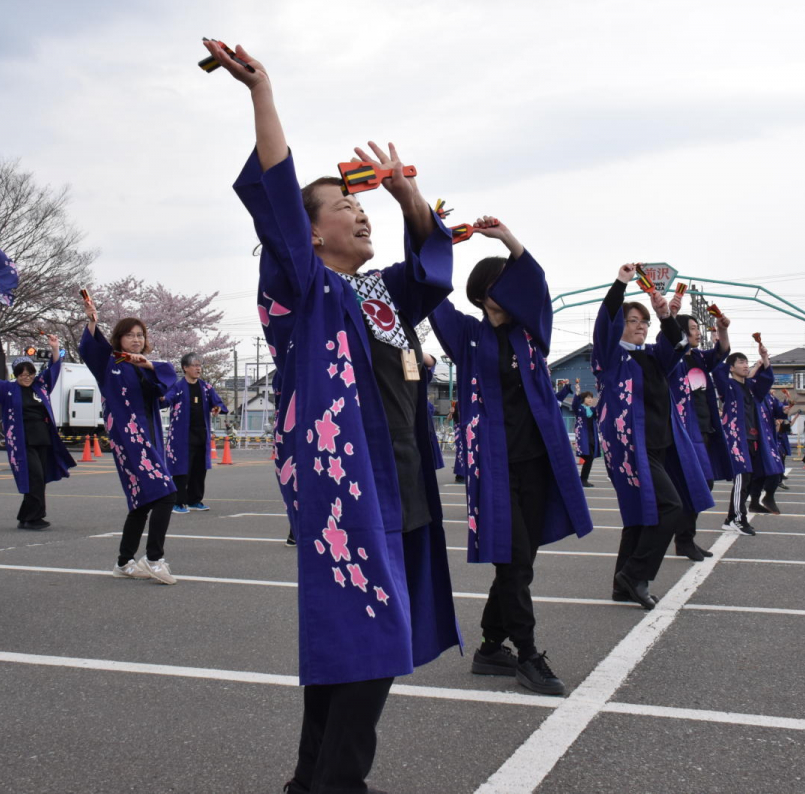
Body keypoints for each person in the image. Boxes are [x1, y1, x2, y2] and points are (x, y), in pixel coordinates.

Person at [213, 39, 461, 794]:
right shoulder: (301, 289)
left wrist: (403, 194)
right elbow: (279, 204)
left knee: (359, 648)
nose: (359, 215)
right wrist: (263, 94)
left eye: (361, 206)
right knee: (372, 646)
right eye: (344, 207)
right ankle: (337, 785)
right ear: (310, 232)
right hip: (350, 496)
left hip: (405, 485)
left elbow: (429, 263)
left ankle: (308, 782)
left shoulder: (380, 294)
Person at [430, 217, 592, 695]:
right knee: (516, 563)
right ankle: (526, 654)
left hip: (539, 462)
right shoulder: (466, 335)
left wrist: (506, 238)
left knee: (521, 561)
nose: (511, 291)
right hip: (495, 469)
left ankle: (488, 648)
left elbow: (536, 283)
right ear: (482, 292)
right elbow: (430, 293)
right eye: (500, 284)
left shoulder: (531, 334)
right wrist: (435, 238)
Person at [591, 263, 714, 609]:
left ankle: (621, 584)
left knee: (639, 515)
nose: (641, 326)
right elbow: (606, 320)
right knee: (670, 507)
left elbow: (676, 344)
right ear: (620, 327)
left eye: (644, 322)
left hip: (659, 448)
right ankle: (636, 575)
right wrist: (621, 282)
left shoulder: (651, 358)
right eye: (634, 321)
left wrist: (664, 315)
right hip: (634, 450)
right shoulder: (611, 358)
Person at [80, 298, 181, 584]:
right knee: (166, 493)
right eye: (130, 335)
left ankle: (124, 563)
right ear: (118, 338)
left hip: (150, 438)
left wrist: (148, 365)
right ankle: (153, 558)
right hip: (129, 439)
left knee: (141, 502)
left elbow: (165, 384)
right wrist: (91, 321)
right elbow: (90, 348)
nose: (136, 340)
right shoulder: (108, 363)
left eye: (140, 335)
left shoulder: (144, 366)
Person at [0, 336, 77, 529]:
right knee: (35, 477)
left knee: (40, 478)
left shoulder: (41, 386)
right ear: (16, 375)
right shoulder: (8, 389)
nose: (26, 377)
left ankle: (25, 516)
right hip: (22, 441)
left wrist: (55, 348)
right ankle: (34, 517)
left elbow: (54, 370)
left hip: (43, 439)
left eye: (29, 373)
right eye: (22, 374)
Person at [670, 305, 732, 560]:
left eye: (697, 328)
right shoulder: (673, 356)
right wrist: (670, 318)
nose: (697, 333)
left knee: (703, 484)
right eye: (693, 329)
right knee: (693, 486)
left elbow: (722, 351)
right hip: (685, 431)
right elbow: (668, 341)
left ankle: (686, 539)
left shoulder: (697, 358)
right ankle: (683, 539)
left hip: (704, 429)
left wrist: (722, 329)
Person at [712, 346, 782, 534]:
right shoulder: (727, 385)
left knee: (749, 479)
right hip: (737, 439)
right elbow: (717, 370)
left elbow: (767, 380)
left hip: (754, 439)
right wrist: (718, 344)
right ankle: (738, 518)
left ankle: (730, 519)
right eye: (741, 362)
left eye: (746, 362)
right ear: (731, 368)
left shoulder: (751, 387)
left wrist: (765, 357)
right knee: (742, 479)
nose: (745, 365)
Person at [166, 352, 226, 514]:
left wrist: (217, 407)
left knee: (199, 470)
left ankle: (195, 500)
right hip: (181, 436)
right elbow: (165, 399)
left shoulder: (206, 387)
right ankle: (178, 502)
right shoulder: (177, 387)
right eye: (194, 365)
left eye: (199, 365)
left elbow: (218, 403)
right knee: (182, 469)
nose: (198, 368)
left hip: (201, 435)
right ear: (185, 368)